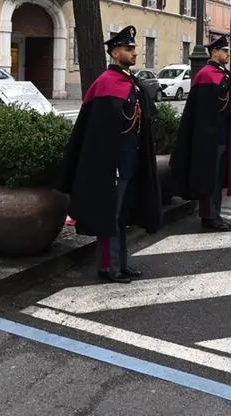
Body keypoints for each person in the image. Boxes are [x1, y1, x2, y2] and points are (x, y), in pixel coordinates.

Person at [59, 26, 161, 283]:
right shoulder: (105, 84)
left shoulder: (131, 83)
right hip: (112, 164)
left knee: (121, 214)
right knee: (110, 215)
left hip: (130, 160)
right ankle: (109, 266)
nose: (134, 52)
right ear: (115, 53)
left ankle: (121, 262)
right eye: (129, 49)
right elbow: (97, 134)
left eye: (134, 48)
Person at [171, 35, 231, 231]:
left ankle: (216, 214)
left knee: (217, 177)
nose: (228, 54)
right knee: (208, 178)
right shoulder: (205, 75)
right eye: (225, 51)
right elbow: (202, 113)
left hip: (223, 135)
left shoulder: (223, 74)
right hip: (209, 138)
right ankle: (209, 216)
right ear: (214, 52)